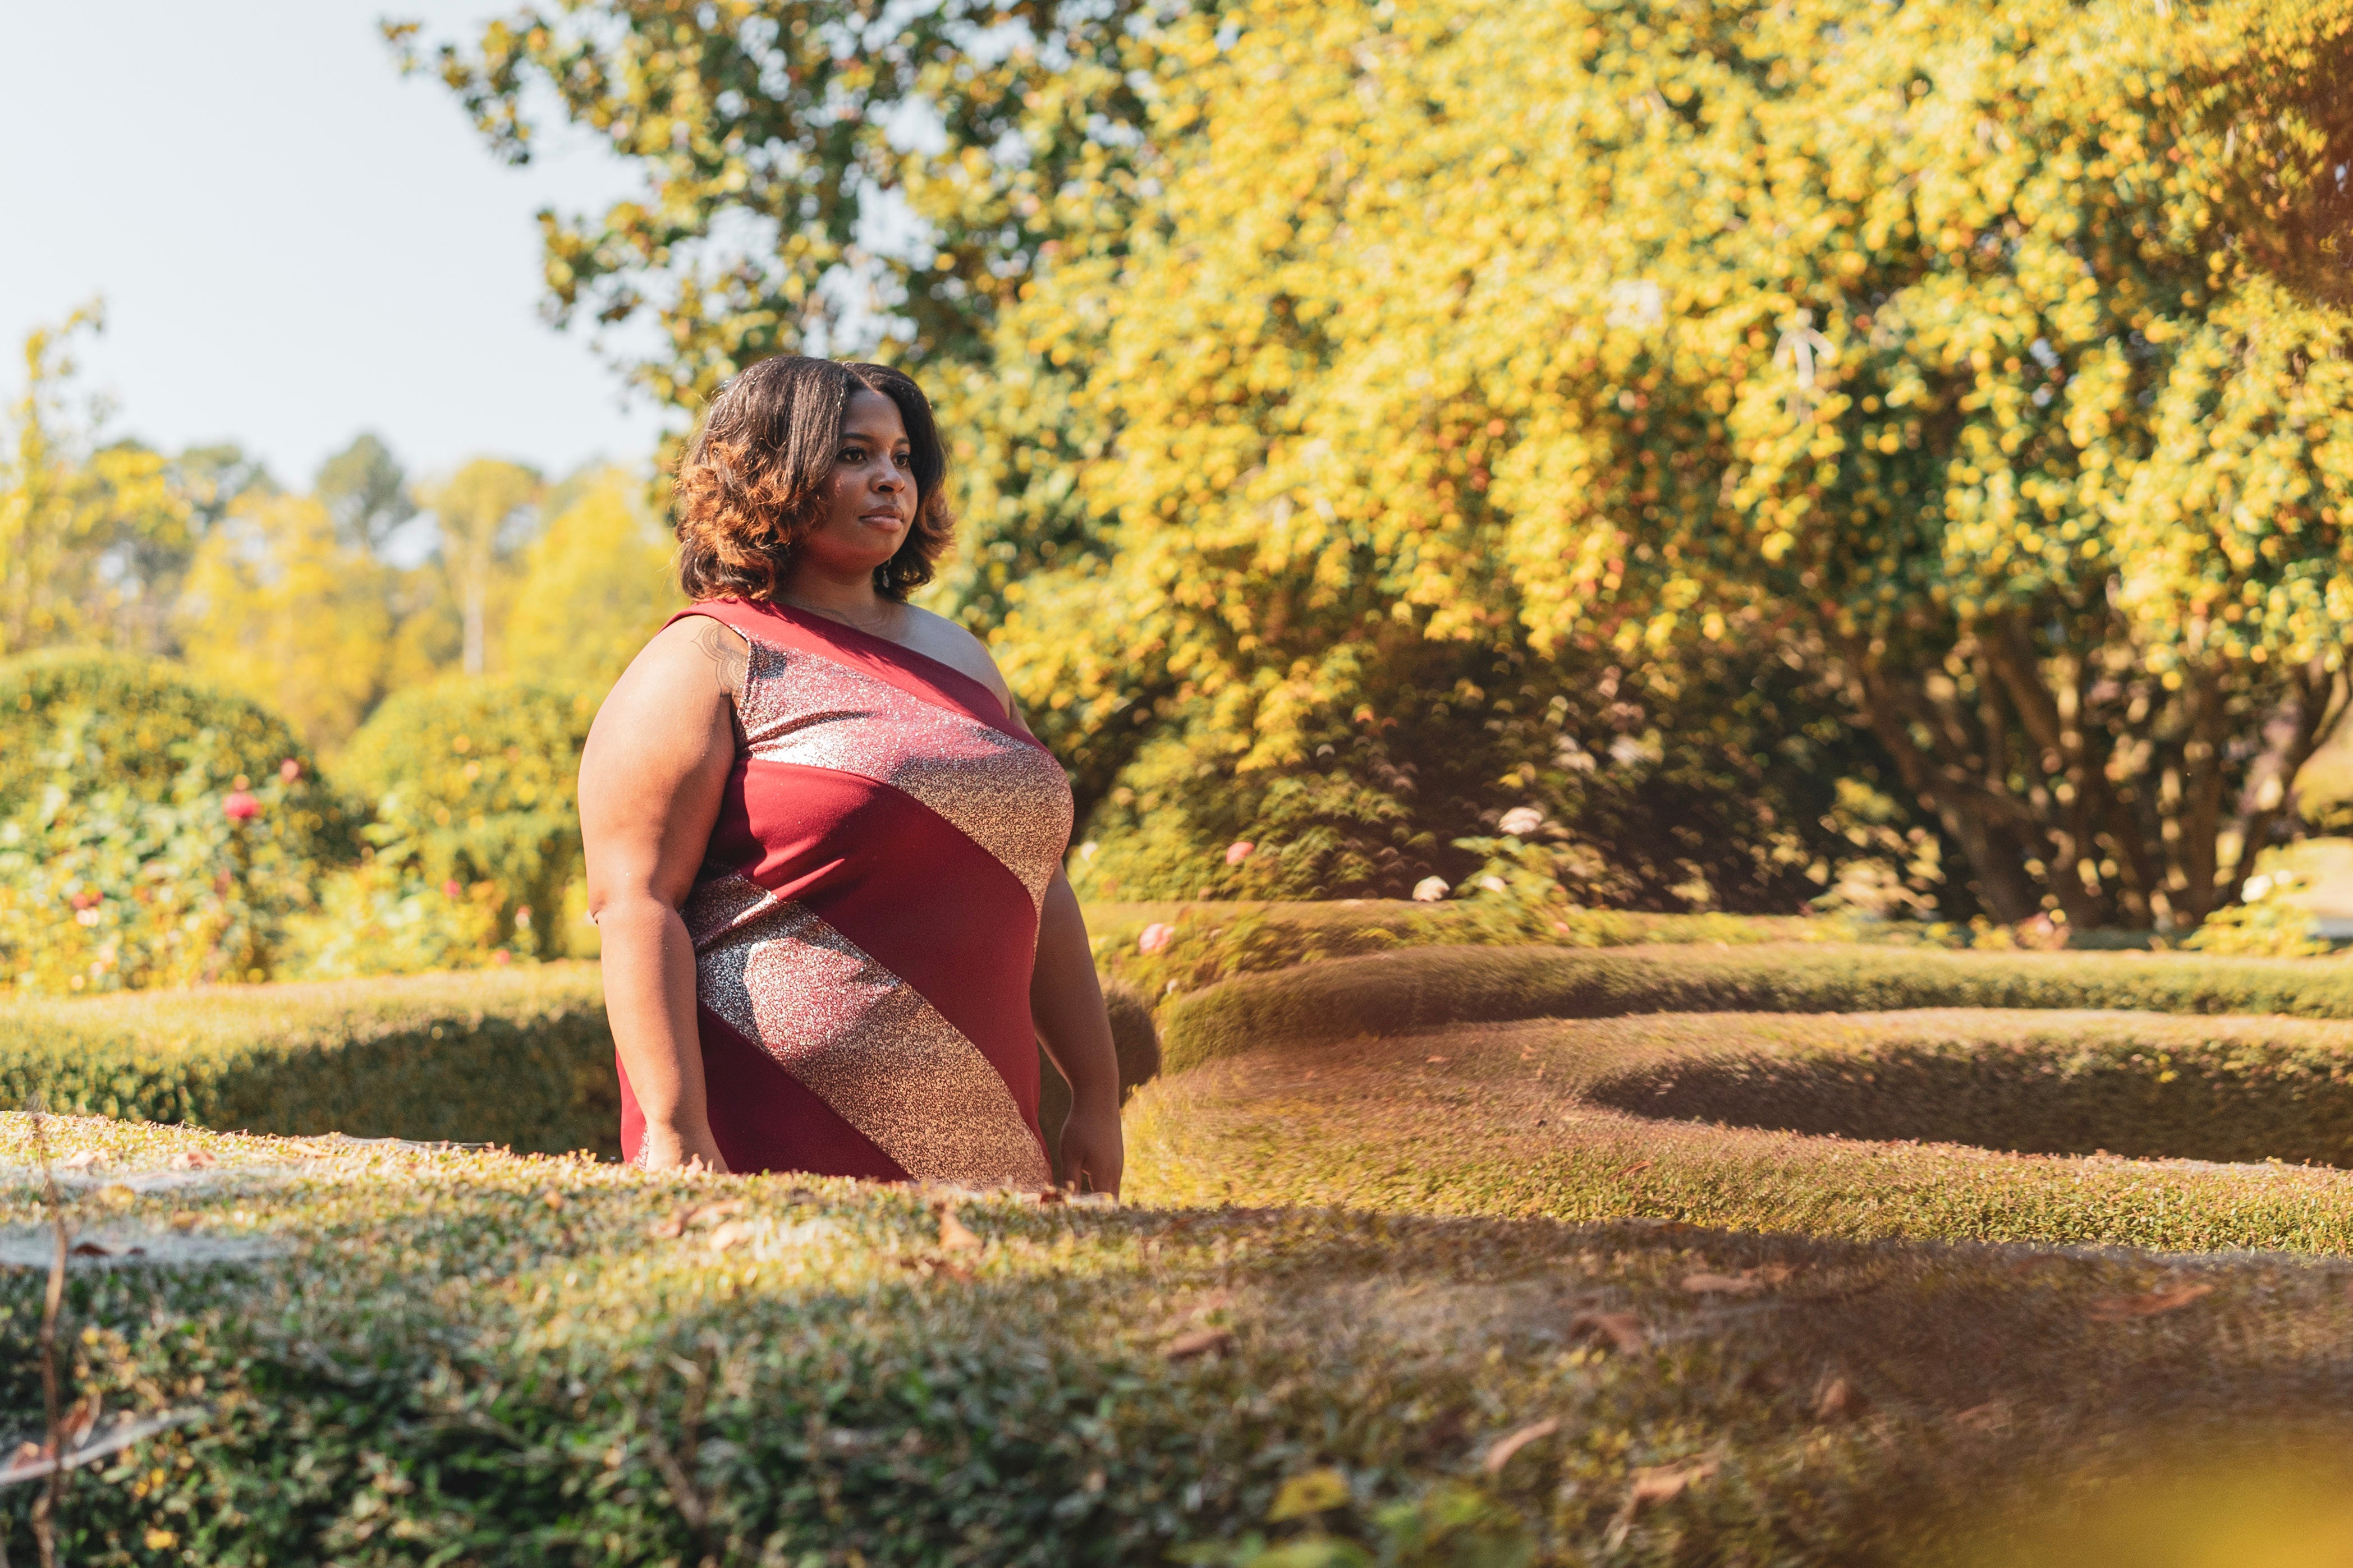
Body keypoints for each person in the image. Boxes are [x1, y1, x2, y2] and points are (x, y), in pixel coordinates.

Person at [578, 356, 1125, 1194]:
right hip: (763, 1133)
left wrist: (1095, 1093)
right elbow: (635, 902)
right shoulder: (704, 657)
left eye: (903, 458)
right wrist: (678, 1133)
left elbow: (1037, 877)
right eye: (852, 454)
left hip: (986, 1140)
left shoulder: (962, 657)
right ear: (769, 472)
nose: (888, 480)